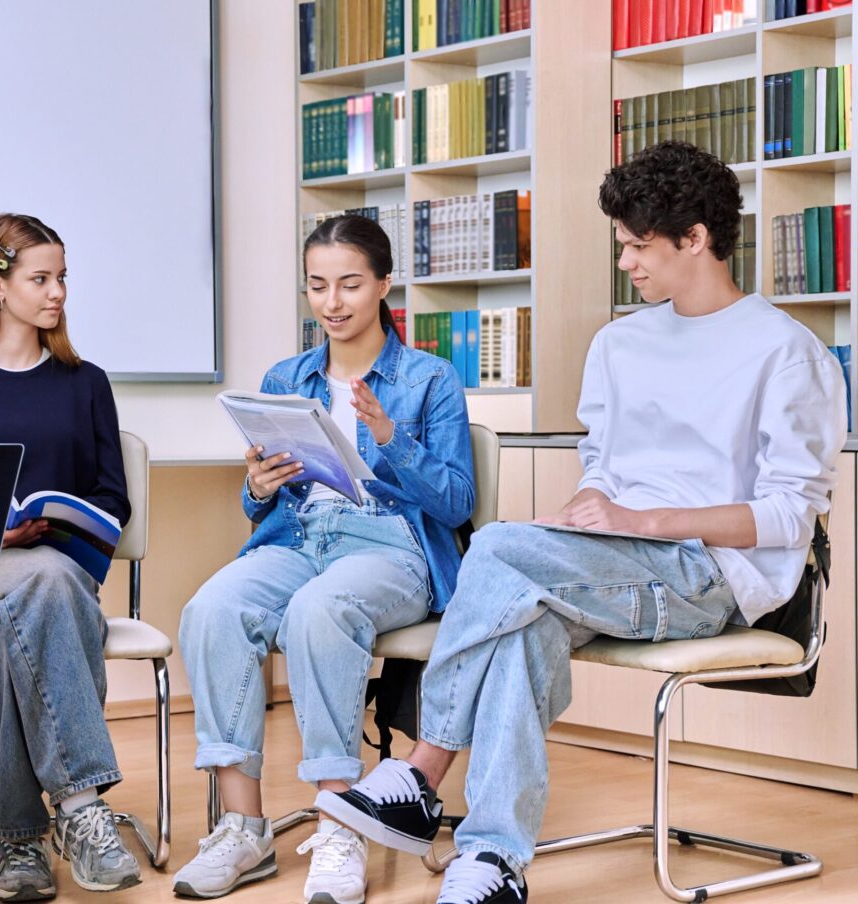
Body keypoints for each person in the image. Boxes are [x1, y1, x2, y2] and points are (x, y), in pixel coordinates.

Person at [316, 141, 848, 904]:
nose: (627, 262)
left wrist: (640, 518)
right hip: (611, 560)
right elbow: (604, 471)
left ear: (695, 238)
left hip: (708, 578)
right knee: (521, 626)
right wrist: (582, 514)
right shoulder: (619, 345)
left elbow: (788, 516)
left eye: (639, 246)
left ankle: (423, 771)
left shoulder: (787, 354)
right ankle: (493, 863)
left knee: (498, 547)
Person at [172, 214, 475, 904]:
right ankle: (242, 827)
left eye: (349, 284)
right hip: (301, 535)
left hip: (392, 544)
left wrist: (389, 436)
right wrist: (257, 487)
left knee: (321, 610)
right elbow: (262, 504)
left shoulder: (429, 379)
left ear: (384, 285)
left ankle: (341, 823)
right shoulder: (289, 376)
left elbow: (456, 503)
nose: (332, 303)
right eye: (317, 286)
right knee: (211, 608)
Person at [0, 213, 138, 899]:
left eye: (63, 277)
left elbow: (111, 499)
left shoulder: (84, 381)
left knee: (20, 625)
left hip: (58, 573)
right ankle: (80, 805)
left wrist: (58, 522)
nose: (58, 292)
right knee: (39, 589)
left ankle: (17, 841)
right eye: (41, 278)